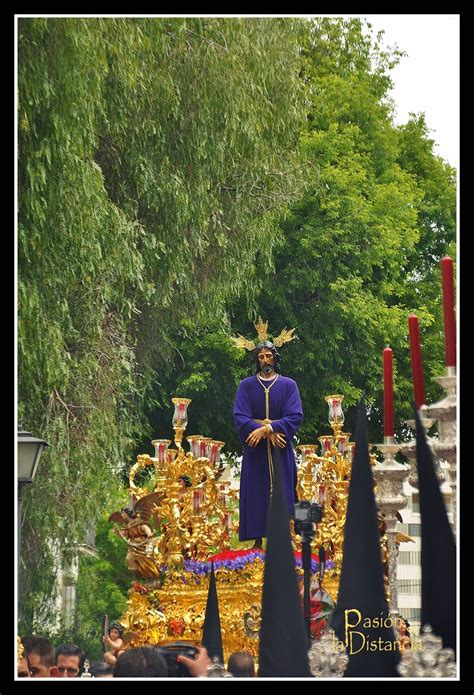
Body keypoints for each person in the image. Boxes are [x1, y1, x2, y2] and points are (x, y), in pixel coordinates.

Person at [233, 338, 303, 548]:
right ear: (257, 360)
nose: (265, 360)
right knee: (256, 492)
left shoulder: (288, 385)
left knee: (284, 489)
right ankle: (257, 540)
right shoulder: (246, 386)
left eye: (269, 356)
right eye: (261, 357)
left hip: (281, 450)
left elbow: (295, 415)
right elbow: (240, 416)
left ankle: (286, 535)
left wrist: (268, 429)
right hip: (256, 453)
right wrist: (267, 432)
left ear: (275, 358)